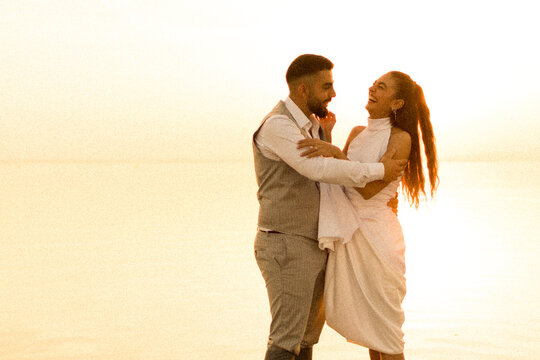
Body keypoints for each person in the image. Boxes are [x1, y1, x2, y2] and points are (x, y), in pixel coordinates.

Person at [252, 55, 407, 360]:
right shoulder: (279, 125)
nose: (333, 94)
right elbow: (319, 170)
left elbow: (329, 180)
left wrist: (328, 138)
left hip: (318, 244)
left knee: (306, 339)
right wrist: (380, 171)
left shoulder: (310, 127)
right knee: (286, 341)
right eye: (327, 86)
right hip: (286, 242)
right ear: (303, 90)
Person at [297, 71, 439, 360]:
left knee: (386, 333)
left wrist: (335, 152)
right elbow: (341, 177)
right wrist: (328, 138)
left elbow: (370, 189)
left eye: (381, 87)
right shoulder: (357, 133)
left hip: (379, 238)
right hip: (352, 234)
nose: (372, 88)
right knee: (373, 334)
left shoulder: (401, 139)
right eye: (374, 84)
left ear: (397, 102)